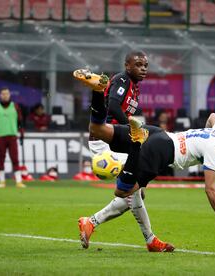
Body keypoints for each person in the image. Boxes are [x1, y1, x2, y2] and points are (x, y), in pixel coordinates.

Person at [77, 78, 215, 251]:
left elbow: (213, 117)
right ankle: (135, 148)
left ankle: (98, 90)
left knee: (97, 130)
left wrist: (206, 133)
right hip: (162, 152)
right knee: (123, 191)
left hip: (158, 133)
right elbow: (211, 189)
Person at [74, 52, 173, 252]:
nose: (143, 68)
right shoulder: (122, 79)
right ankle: (148, 239)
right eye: (138, 64)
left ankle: (93, 223)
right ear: (127, 66)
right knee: (132, 191)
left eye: (145, 65)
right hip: (107, 140)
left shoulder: (134, 87)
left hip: (117, 141)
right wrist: (130, 126)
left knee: (136, 192)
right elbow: (113, 105)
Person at [0, 87, 26, 188]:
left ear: (9, 95)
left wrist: (22, 135)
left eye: (7, 94)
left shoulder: (15, 106)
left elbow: (20, 122)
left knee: (15, 159)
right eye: (3, 94)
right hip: (0, 136)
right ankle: (2, 181)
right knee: (1, 158)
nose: (5, 96)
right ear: (0, 95)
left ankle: (18, 181)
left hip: (12, 136)